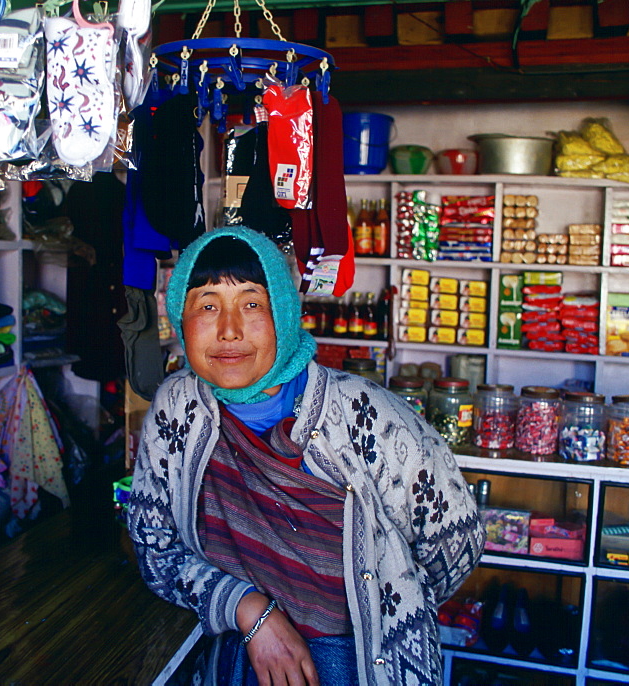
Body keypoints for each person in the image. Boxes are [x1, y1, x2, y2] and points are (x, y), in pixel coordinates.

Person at [127, 226, 484, 686]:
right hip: (234, 641)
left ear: (286, 313)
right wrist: (247, 609)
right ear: (180, 316)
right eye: (208, 305)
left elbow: (455, 543)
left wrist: (386, 608)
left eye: (252, 303)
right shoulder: (179, 406)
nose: (229, 329)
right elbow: (155, 549)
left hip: (359, 654)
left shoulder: (366, 415)